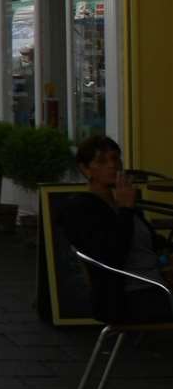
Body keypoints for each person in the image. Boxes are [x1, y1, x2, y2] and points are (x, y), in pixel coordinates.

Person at [60, 136, 173, 324]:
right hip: (130, 296)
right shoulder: (81, 209)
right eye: (102, 161)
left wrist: (166, 261)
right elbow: (113, 253)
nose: (112, 165)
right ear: (85, 169)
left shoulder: (121, 202)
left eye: (115, 159)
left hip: (157, 283)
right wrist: (126, 210)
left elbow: (153, 244)